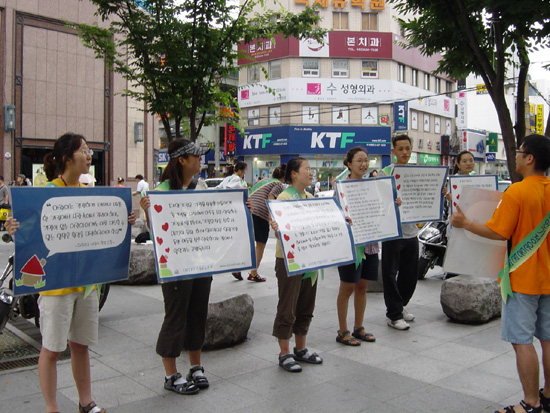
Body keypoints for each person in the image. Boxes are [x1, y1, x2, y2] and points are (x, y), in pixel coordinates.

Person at [5, 132, 136, 413]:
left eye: (89, 150)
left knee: (80, 345)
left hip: (87, 285)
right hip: (56, 287)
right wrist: (13, 228)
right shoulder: (45, 192)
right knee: (52, 349)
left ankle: (86, 402)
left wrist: (125, 220)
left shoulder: (91, 192)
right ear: (66, 158)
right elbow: (28, 231)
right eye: (84, 150)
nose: (90, 155)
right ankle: (52, 408)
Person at [451, 134, 550, 413]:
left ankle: (530, 403)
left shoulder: (517, 192)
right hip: (548, 277)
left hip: (522, 278)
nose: (515, 156)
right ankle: (548, 395)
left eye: (519, 152)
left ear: (529, 158)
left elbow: (498, 231)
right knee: (547, 339)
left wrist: (465, 223)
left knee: (522, 341)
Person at [140, 138, 212, 397]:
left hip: (201, 261)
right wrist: (147, 213)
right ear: (182, 160)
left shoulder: (201, 186)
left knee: (198, 314)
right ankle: (171, 374)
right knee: (176, 316)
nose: (200, 160)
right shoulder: (160, 192)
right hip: (175, 266)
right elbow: (156, 233)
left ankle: (195, 367)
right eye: (196, 156)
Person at [270, 157, 323, 373]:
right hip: (288, 261)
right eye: (307, 169)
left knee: (306, 305)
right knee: (287, 306)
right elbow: (280, 231)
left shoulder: (310, 197)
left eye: (311, 169)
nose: (311, 173)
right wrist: (277, 228)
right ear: (294, 173)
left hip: (309, 258)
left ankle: (301, 348)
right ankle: (284, 353)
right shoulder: (284, 198)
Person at [335, 147, 380, 346]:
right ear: (349, 163)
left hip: (370, 244)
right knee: (347, 288)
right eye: (359, 160)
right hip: (350, 246)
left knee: (362, 287)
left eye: (366, 160)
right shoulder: (341, 188)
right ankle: (342, 330)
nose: (364, 164)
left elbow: (381, 209)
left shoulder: (373, 186)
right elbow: (335, 214)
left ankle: (359, 327)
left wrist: (394, 204)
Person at [378, 134, 419, 330]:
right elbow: (379, 200)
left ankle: (400, 306)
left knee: (410, 275)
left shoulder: (417, 173)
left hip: (411, 232)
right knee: (390, 274)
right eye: (400, 149)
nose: (405, 152)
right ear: (393, 151)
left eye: (407, 148)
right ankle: (393, 315)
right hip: (392, 233)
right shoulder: (385, 172)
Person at [246, 165, 286, 282]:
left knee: (248, 242)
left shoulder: (264, 180)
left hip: (249, 210)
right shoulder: (279, 184)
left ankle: (237, 268)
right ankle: (253, 273)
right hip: (260, 213)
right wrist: (271, 217)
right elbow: (270, 196)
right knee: (260, 244)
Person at [217, 161, 248, 280]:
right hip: (235, 211)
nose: (245, 172)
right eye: (244, 170)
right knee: (238, 240)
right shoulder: (236, 179)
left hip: (227, 211)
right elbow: (230, 189)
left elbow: (218, 188)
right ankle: (235, 267)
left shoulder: (227, 178)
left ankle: (236, 267)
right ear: (240, 170)